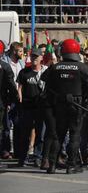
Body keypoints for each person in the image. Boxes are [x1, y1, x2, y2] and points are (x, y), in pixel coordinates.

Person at [42, 39, 88, 174]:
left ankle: (52, 165)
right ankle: (71, 165)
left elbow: (45, 84)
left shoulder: (55, 67)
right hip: (77, 105)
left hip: (59, 105)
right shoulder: (84, 68)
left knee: (58, 135)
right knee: (74, 135)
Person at [16, 49, 48, 167]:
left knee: (41, 134)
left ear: (41, 58)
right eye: (33, 56)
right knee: (25, 133)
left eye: (37, 56)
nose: (34, 58)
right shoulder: (24, 72)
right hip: (27, 107)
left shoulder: (46, 72)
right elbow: (19, 87)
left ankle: (38, 157)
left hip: (41, 108)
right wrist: (20, 98)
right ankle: (23, 157)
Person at [0, 41, 18, 169]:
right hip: (1, 101)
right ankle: (4, 150)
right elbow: (11, 85)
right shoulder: (5, 67)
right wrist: (13, 99)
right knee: (2, 127)